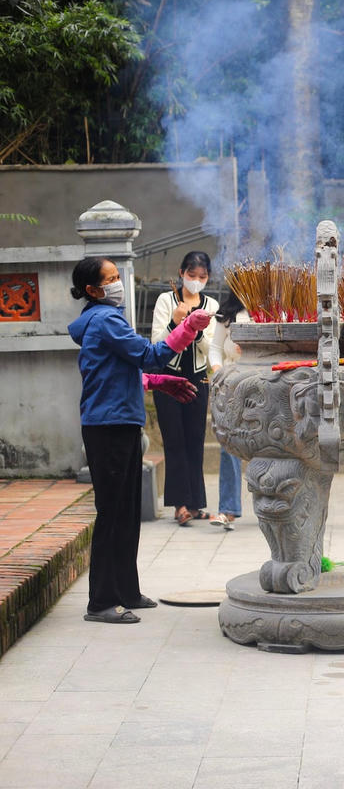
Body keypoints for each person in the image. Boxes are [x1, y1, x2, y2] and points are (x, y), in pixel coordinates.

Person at [67, 256, 211, 623]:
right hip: (109, 426)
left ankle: (127, 590)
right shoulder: (105, 320)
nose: (117, 282)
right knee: (113, 513)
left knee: (128, 512)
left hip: (121, 421)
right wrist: (187, 328)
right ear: (92, 289)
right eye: (111, 278)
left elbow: (122, 369)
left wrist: (159, 382)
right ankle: (100, 602)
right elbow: (150, 356)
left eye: (118, 275)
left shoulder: (103, 320)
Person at [150, 251, 220, 525]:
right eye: (191, 276)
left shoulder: (210, 304)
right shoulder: (166, 300)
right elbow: (157, 342)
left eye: (202, 277)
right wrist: (176, 321)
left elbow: (209, 346)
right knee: (175, 442)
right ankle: (179, 505)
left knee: (195, 441)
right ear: (181, 273)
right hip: (168, 379)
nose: (196, 281)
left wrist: (197, 326)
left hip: (198, 378)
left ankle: (195, 504)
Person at [209, 292, 249, 531]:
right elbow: (215, 348)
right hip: (231, 383)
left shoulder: (268, 311)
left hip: (263, 380)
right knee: (228, 444)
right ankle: (228, 508)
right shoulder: (226, 316)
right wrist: (218, 372)